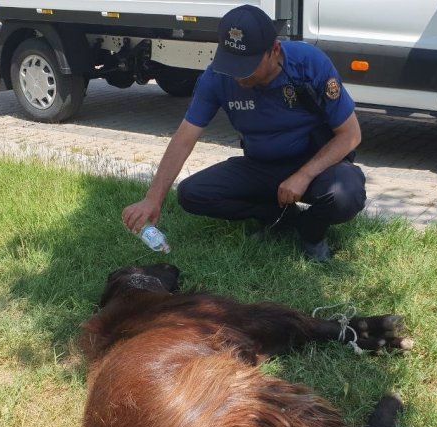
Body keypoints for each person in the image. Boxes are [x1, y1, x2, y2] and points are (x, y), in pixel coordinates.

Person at [122, 4, 366, 262]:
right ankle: (280, 218)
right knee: (193, 193)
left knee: (344, 195)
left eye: (247, 65)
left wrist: (303, 176)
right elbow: (184, 137)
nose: (238, 76)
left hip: (314, 164)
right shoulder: (217, 76)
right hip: (260, 166)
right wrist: (152, 198)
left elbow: (350, 135)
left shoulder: (308, 62)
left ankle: (311, 231)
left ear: (274, 50)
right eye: (231, 63)